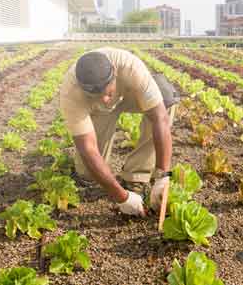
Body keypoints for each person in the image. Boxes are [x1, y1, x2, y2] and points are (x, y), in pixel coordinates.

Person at [59, 47, 179, 217]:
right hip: (97, 111)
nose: (105, 100)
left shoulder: (130, 67)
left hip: (130, 94)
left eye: (107, 92)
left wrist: (163, 176)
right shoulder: (71, 93)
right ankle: (90, 174)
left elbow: (160, 118)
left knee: (166, 99)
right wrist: (122, 198)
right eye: (97, 95)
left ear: (114, 73)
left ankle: (136, 176)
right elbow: (88, 148)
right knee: (87, 173)